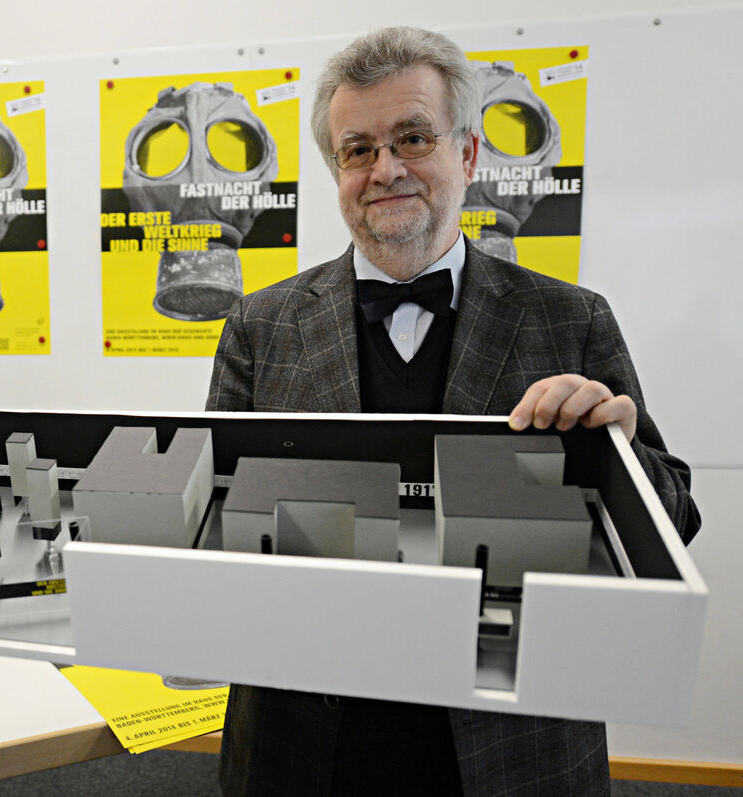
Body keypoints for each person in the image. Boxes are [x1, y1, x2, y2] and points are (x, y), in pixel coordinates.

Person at [206, 27, 699, 796]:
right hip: (305, 741)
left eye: (413, 137)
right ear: (337, 171)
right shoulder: (260, 324)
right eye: (358, 150)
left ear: (467, 155)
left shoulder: (572, 318)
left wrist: (618, 457)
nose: (386, 169)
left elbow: (677, 517)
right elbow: (211, 520)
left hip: (515, 742)